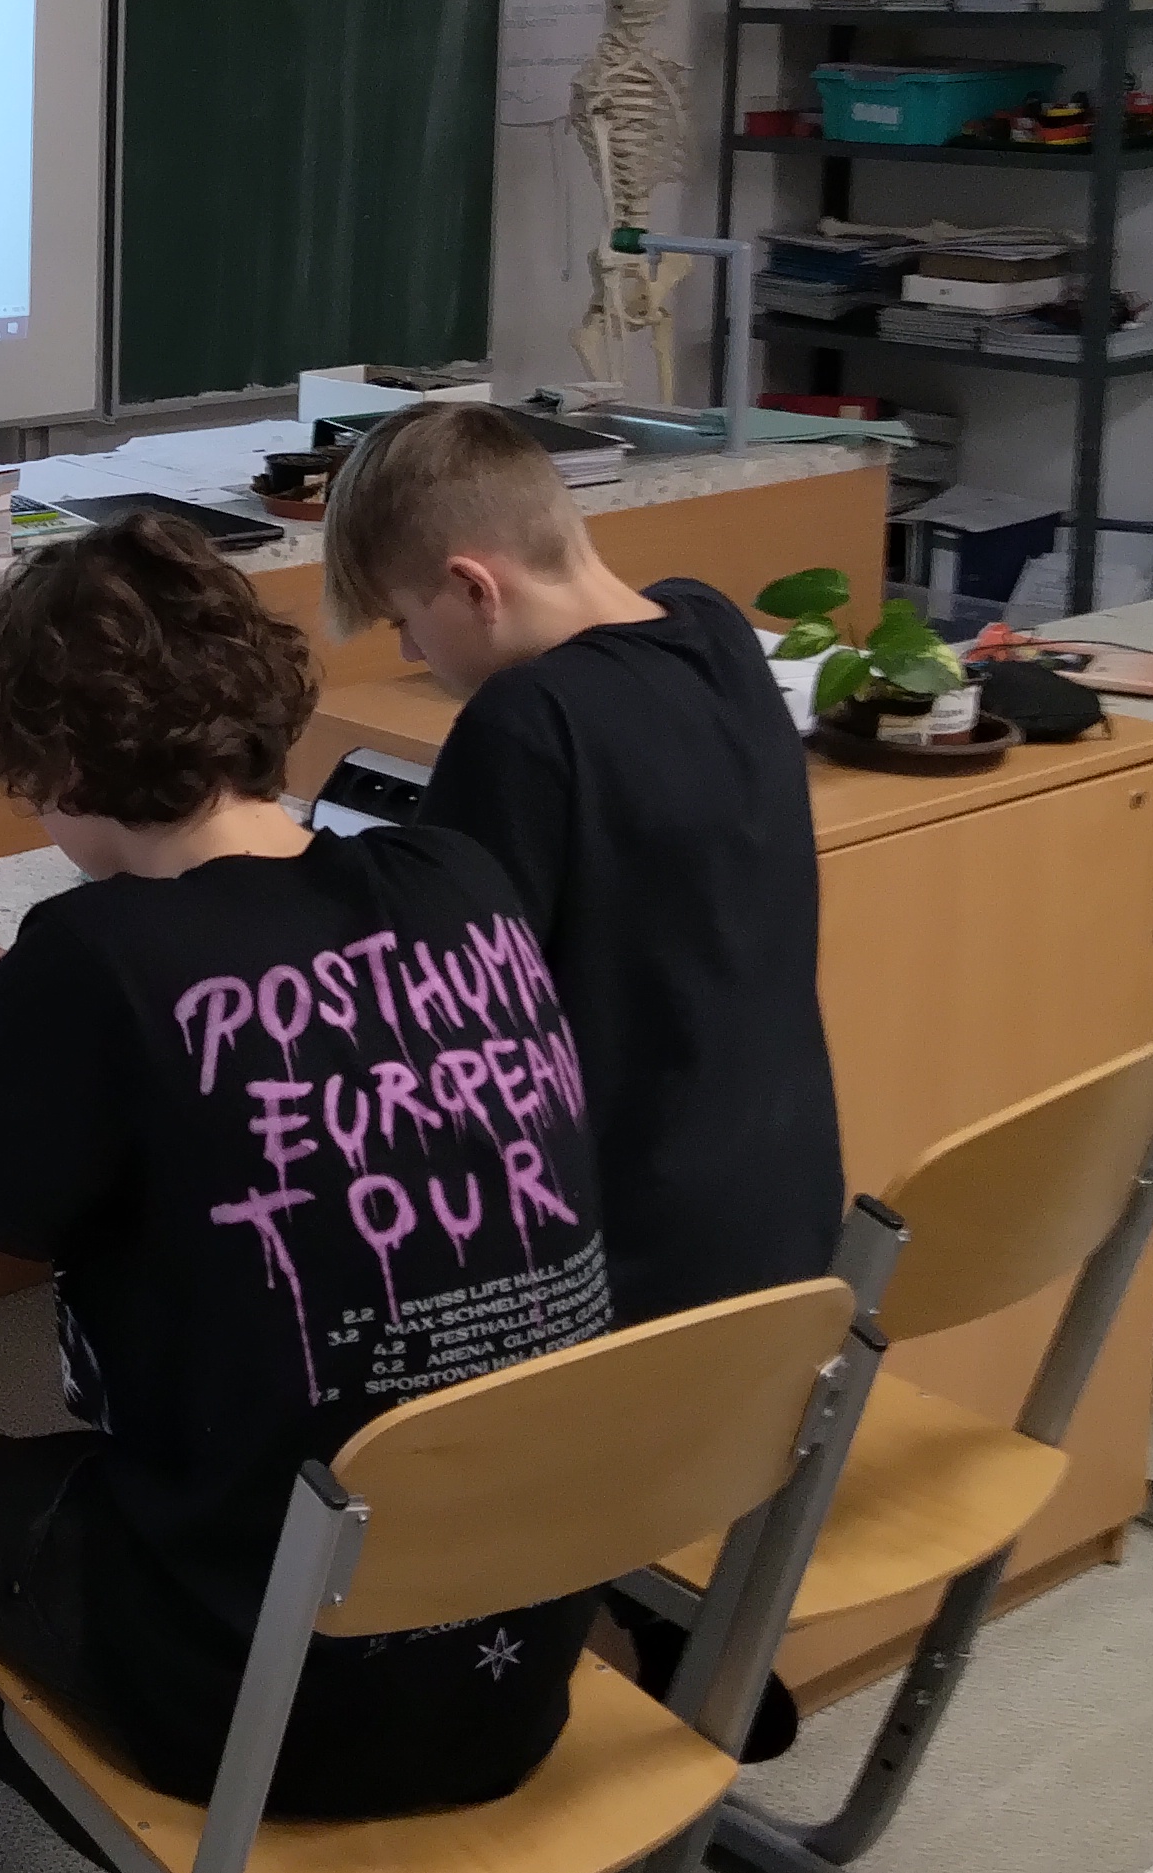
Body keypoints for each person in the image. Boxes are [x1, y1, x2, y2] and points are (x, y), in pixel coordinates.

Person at [0, 513, 614, 1873]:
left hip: (288, 1691)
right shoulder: (460, 882)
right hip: (524, 1642)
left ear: (60, 767)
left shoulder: (96, 961)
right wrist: (39, 1028)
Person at [318, 399, 844, 1335]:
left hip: (622, 1277)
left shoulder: (526, 721)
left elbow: (425, 1022)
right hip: (784, 1228)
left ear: (473, 587)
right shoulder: (715, 629)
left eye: (404, 619)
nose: (407, 651)